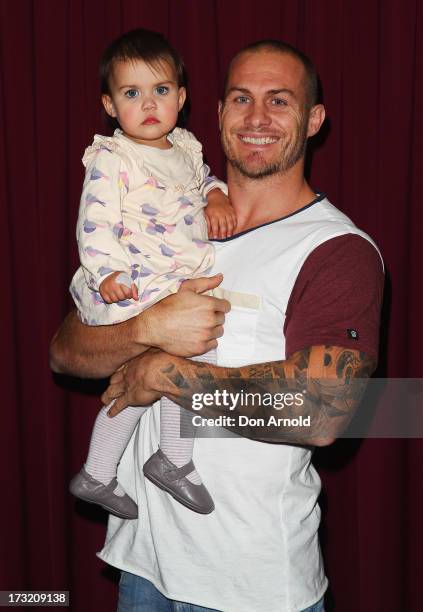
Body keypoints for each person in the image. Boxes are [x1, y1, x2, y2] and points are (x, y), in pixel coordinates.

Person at [51, 39, 384, 612]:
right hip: (142, 567)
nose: (257, 118)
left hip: (249, 587)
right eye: (241, 99)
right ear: (217, 111)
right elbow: (65, 351)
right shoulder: (167, 221)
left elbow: (324, 412)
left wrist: (164, 371)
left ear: (314, 120)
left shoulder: (335, 250)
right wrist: (145, 328)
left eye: (279, 101)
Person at [68, 29, 237, 520]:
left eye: (160, 90)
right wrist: (106, 274)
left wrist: (217, 193)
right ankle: (168, 459)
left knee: (164, 371)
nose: (148, 103)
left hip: (173, 275)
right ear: (109, 104)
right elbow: (94, 222)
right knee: (187, 360)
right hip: (136, 279)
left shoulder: (185, 146)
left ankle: (101, 474)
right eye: (131, 93)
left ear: (181, 99)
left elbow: (200, 180)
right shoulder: (112, 158)